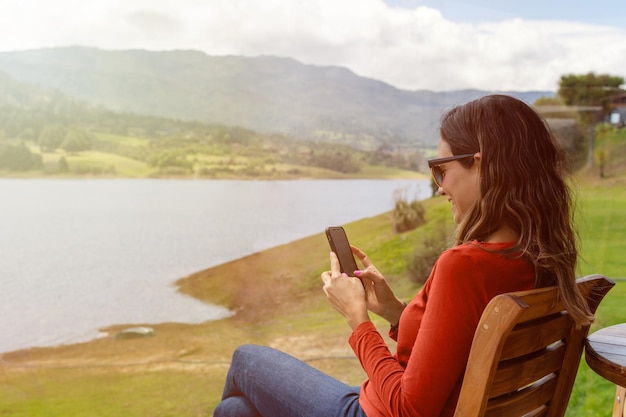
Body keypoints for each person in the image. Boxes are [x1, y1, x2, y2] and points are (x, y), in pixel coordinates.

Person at [213, 94, 593, 417]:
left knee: (247, 359)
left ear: (481, 164)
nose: (440, 187)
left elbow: (408, 409)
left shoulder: (465, 265)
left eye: (441, 170)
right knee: (236, 412)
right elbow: (457, 349)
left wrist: (357, 319)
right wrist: (394, 310)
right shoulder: (539, 260)